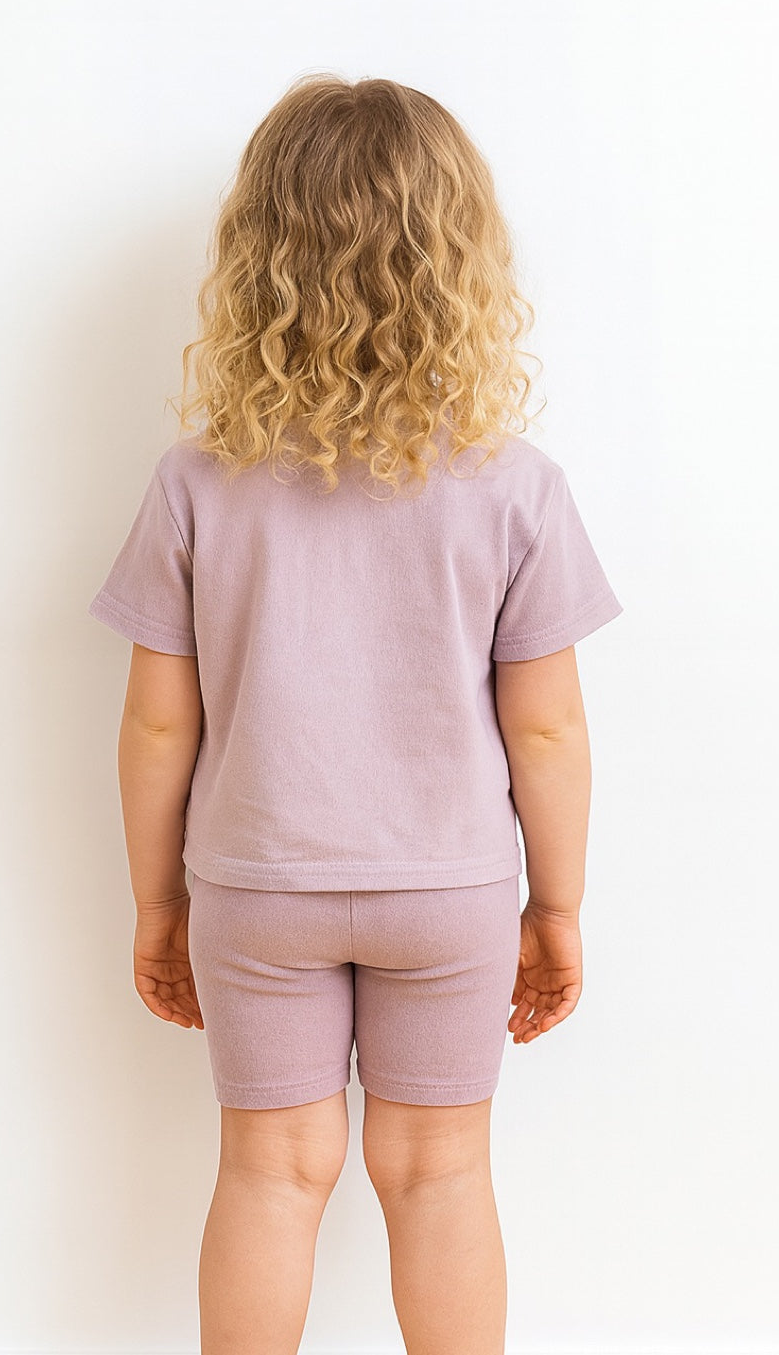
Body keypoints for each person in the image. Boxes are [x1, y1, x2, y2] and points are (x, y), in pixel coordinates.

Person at [87, 72, 623, 1355]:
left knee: (272, 1172)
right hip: (445, 890)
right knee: (438, 1174)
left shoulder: (195, 483)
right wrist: (553, 905)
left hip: (257, 885)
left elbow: (160, 727)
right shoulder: (515, 488)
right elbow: (545, 730)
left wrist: (160, 901)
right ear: (461, 260)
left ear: (261, 256)